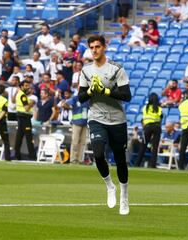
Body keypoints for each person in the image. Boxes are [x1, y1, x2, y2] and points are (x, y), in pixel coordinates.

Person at [78, 35, 132, 215]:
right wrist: (91, 91)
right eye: (91, 47)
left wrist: (106, 91)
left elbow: (126, 95)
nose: (94, 50)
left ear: (104, 47)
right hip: (96, 118)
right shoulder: (85, 71)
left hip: (117, 120)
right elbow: (81, 98)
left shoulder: (116, 68)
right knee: (99, 154)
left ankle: (124, 196)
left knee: (120, 159)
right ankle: (110, 186)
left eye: (97, 47)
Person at [135, 93, 163, 168]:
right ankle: (152, 165)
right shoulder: (159, 109)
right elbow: (161, 119)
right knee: (155, 147)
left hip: (147, 128)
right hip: (157, 127)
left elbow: (144, 118)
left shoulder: (145, 108)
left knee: (143, 146)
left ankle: (137, 164)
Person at [62, 94, 89, 164]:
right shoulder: (76, 98)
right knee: (75, 142)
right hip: (76, 123)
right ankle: (73, 160)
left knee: (83, 143)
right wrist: (71, 108)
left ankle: (80, 160)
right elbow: (64, 104)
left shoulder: (88, 98)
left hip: (85, 123)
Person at [15, 80, 36, 160]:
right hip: (25, 118)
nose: (28, 87)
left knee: (19, 138)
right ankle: (32, 157)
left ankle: (17, 156)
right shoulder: (23, 95)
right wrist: (32, 102)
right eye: (26, 86)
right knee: (29, 138)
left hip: (21, 118)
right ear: (21, 86)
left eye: (28, 85)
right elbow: (27, 108)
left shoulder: (19, 94)